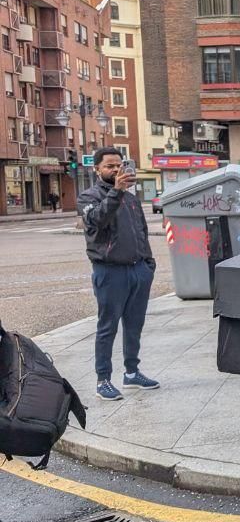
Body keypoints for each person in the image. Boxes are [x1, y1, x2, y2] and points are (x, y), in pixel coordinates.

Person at [78, 147, 158, 402]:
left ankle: (132, 372)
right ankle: (103, 379)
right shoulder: (88, 197)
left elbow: (141, 232)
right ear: (97, 169)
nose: (115, 170)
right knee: (107, 327)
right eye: (109, 166)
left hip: (137, 270)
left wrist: (148, 265)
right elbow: (97, 220)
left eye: (118, 165)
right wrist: (116, 191)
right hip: (109, 271)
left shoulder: (132, 200)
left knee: (134, 325)